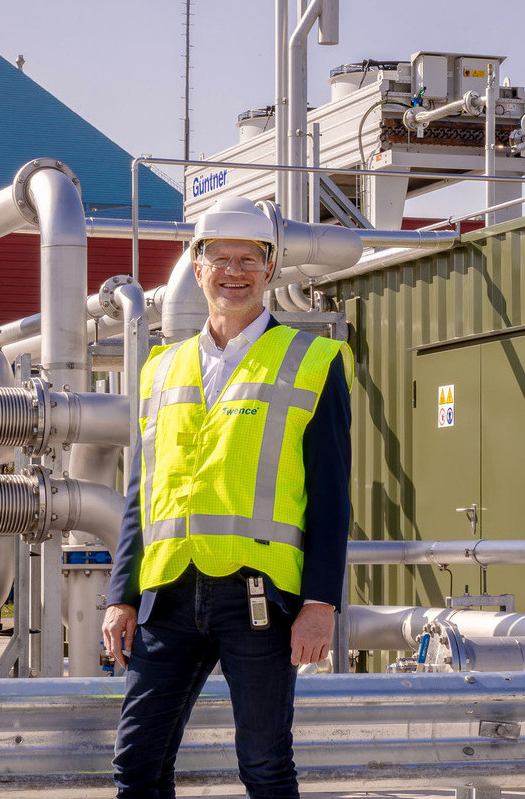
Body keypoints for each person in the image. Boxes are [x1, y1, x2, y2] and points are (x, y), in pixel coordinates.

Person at [101, 196, 352, 799]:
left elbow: (331, 492)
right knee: (136, 766)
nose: (233, 272)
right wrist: (122, 596)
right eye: (220, 258)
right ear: (197, 266)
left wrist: (320, 604)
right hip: (169, 592)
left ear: (269, 271)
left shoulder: (312, 360)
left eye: (249, 259)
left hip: (258, 596)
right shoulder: (162, 369)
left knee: (265, 769)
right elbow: (143, 493)